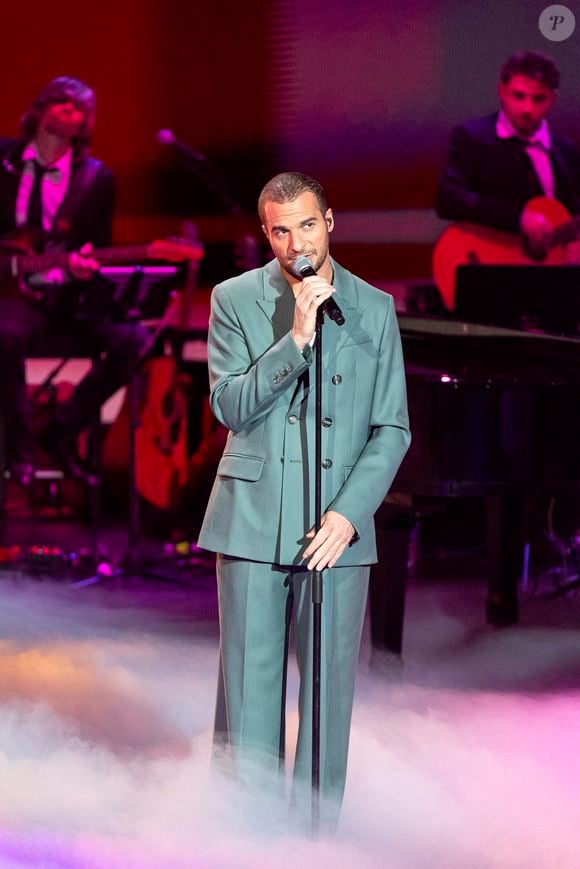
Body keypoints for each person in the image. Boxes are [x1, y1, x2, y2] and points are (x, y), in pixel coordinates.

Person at [198, 171, 410, 821]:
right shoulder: (234, 298)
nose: (297, 243)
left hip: (335, 533)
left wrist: (348, 515)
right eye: (281, 230)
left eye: (308, 225)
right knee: (249, 697)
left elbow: (392, 427)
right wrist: (295, 339)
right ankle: (245, 838)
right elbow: (230, 405)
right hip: (253, 523)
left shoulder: (374, 307)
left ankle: (316, 842)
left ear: (331, 222)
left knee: (325, 701)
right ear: (266, 233)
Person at [0, 76, 148, 484]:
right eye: (63, 102)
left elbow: (98, 247)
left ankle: (61, 428)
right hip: (11, 298)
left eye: (81, 107)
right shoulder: (4, 161)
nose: (72, 111)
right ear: (39, 109)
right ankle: (18, 448)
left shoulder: (96, 177)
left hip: (67, 300)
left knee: (137, 341)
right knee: (4, 334)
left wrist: (84, 268)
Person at [436, 50, 580, 253]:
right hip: (492, 261)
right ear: (502, 91)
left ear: (552, 99)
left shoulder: (565, 150)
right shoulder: (473, 138)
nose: (527, 109)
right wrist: (518, 217)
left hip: (552, 269)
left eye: (538, 99)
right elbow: (448, 200)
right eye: (519, 96)